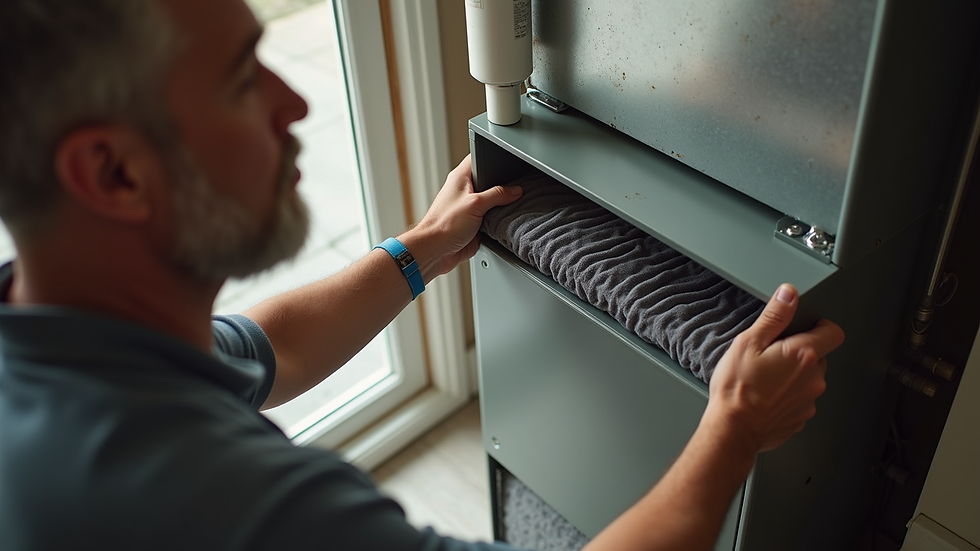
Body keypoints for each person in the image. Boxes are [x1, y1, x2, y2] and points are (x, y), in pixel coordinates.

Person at [0, 1, 845, 550]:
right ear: (113, 174)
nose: (292, 103)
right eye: (238, 81)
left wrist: (422, 247)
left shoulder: (54, 328)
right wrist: (733, 427)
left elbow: (257, 348)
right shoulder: (210, 499)